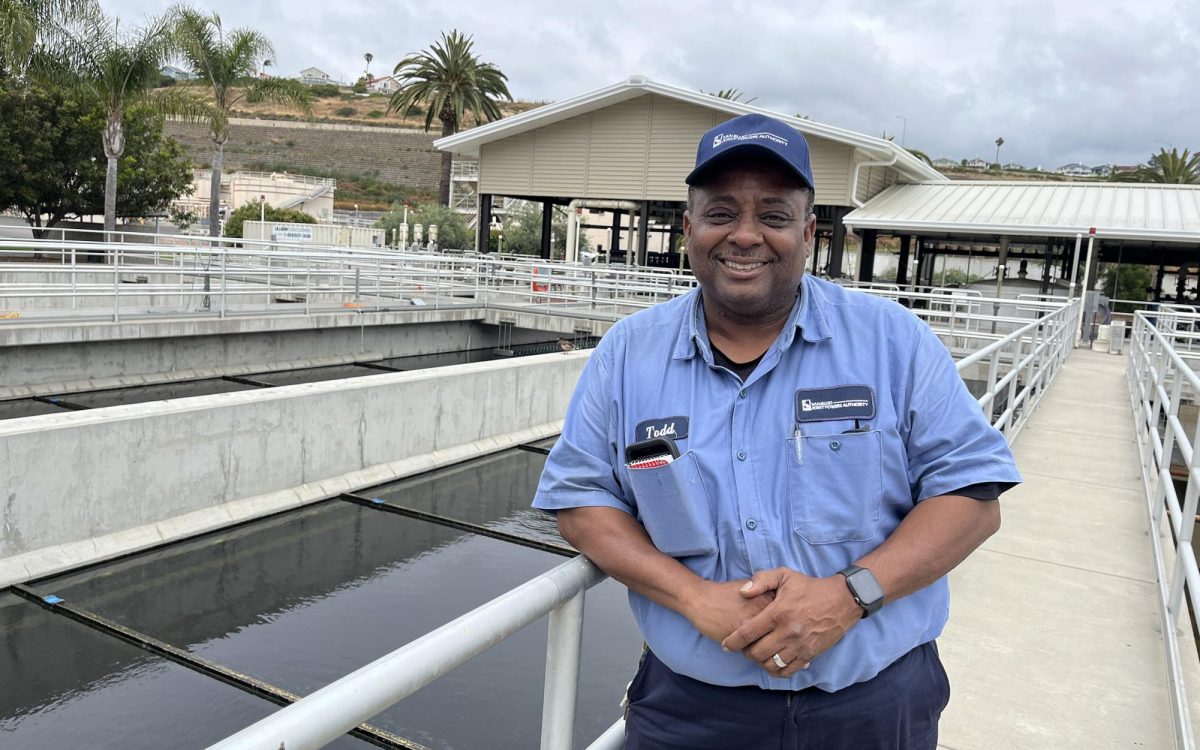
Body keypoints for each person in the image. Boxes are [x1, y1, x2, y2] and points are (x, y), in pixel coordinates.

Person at [533, 113, 1021, 750]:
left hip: (874, 707)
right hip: (692, 713)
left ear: (810, 231)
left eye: (773, 214)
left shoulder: (891, 341)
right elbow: (581, 500)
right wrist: (694, 599)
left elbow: (973, 499)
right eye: (721, 213)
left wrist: (848, 597)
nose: (745, 235)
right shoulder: (628, 354)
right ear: (688, 229)